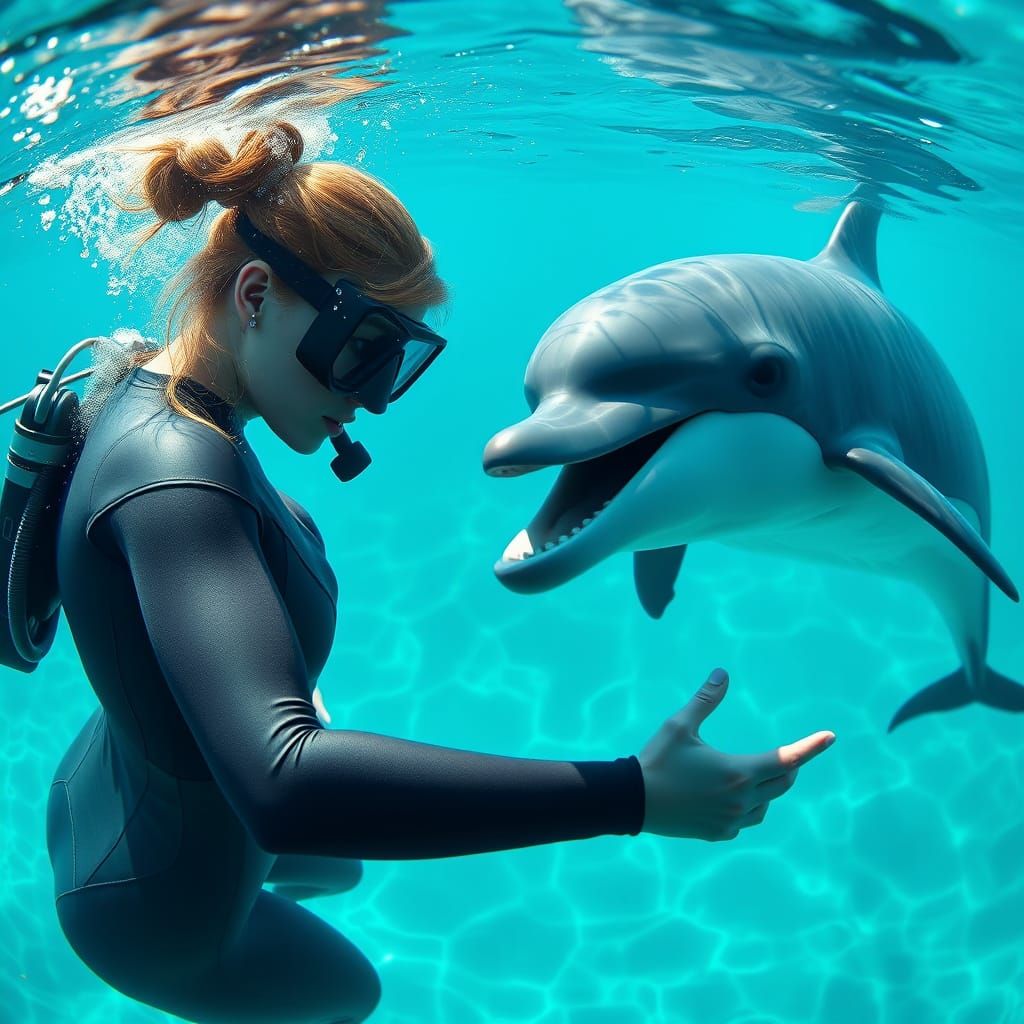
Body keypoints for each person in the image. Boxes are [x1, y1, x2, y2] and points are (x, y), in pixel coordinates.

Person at [46, 120, 836, 1024]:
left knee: (342, 862)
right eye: (363, 349)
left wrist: (248, 689)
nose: (368, 396)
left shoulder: (162, 391)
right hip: (153, 910)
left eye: (400, 365)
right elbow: (286, 790)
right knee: (352, 990)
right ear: (255, 295)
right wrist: (635, 794)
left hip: (101, 791)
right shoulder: (180, 479)